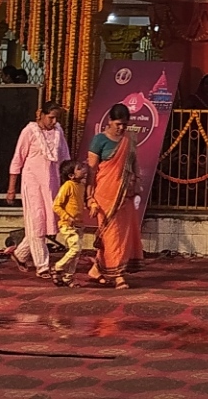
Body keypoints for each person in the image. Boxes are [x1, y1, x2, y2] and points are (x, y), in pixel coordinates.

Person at [6, 102, 70, 277]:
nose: (53, 121)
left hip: (52, 184)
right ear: (41, 114)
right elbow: (17, 159)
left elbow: (65, 158)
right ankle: (42, 266)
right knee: (36, 223)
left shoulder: (58, 132)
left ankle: (20, 254)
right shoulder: (29, 131)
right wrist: (11, 188)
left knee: (43, 224)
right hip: (32, 183)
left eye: (56, 118)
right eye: (51, 117)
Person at [86, 101, 141, 289]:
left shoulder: (129, 139)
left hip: (125, 194)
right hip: (105, 195)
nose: (121, 128)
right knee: (111, 236)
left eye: (124, 124)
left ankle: (97, 269)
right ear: (109, 121)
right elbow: (92, 170)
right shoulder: (99, 140)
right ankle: (118, 275)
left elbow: (134, 164)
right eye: (118, 124)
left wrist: (137, 184)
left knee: (123, 236)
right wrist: (90, 197)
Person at [51, 160, 90, 287]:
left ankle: (68, 277)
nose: (83, 170)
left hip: (79, 225)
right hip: (68, 225)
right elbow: (56, 205)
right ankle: (57, 267)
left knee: (76, 254)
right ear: (71, 175)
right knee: (75, 249)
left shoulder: (81, 186)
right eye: (79, 169)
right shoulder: (68, 185)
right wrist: (67, 217)